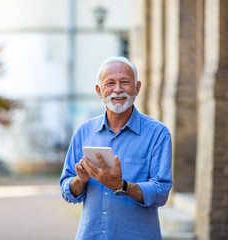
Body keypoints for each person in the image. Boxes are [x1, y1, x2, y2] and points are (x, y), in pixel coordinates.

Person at [60, 56, 172, 240]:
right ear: (99, 90)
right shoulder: (83, 131)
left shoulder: (158, 133)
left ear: (137, 88)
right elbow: (67, 190)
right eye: (110, 83)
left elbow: (161, 193)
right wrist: (80, 180)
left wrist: (122, 186)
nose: (118, 89)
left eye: (125, 82)